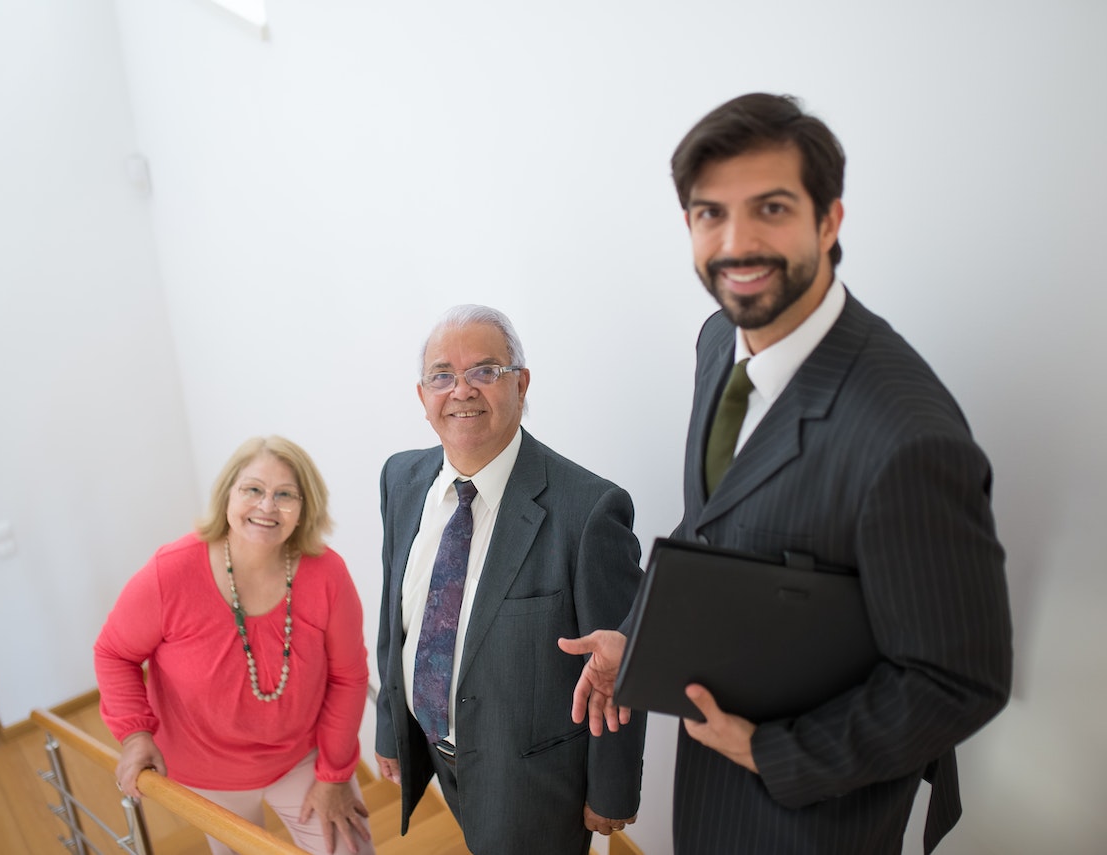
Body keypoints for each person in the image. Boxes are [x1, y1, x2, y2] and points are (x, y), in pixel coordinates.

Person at [561, 93, 1013, 854]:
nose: (737, 242)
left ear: (829, 220)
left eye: (770, 208)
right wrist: (635, 642)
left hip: (817, 814)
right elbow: (717, 523)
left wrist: (775, 754)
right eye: (712, 214)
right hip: (708, 790)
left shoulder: (908, 436)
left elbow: (960, 680)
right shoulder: (718, 340)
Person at [374, 305, 647, 855]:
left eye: (485, 371)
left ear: (521, 384)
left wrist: (612, 792)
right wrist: (391, 731)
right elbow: (395, 614)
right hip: (437, 749)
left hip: (533, 780)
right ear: (422, 396)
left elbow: (621, 666)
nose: (462, 390)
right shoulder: (401, 478)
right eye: (442, 376)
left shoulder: (588, 510)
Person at [94, 436, 375, 855]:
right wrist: (136, 735)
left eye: (285, 495)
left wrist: (334, 775)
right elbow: (114, 653)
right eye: (253, 490)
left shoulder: (327, 575)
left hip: (304, 757)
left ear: (304, 509)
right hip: (205, 771)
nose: (266, 506)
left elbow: (348, 677)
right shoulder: (170, 573)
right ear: (228, 494)